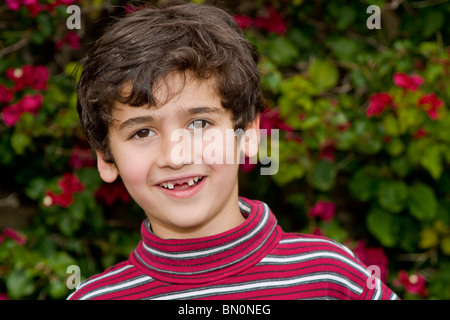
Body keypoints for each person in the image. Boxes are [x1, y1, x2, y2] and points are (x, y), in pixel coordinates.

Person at [68, 1, 398, 300]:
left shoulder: (330, 277)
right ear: (106, 158)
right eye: (143, 132)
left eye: (199, 124)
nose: (175, 156)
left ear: (248, 135)